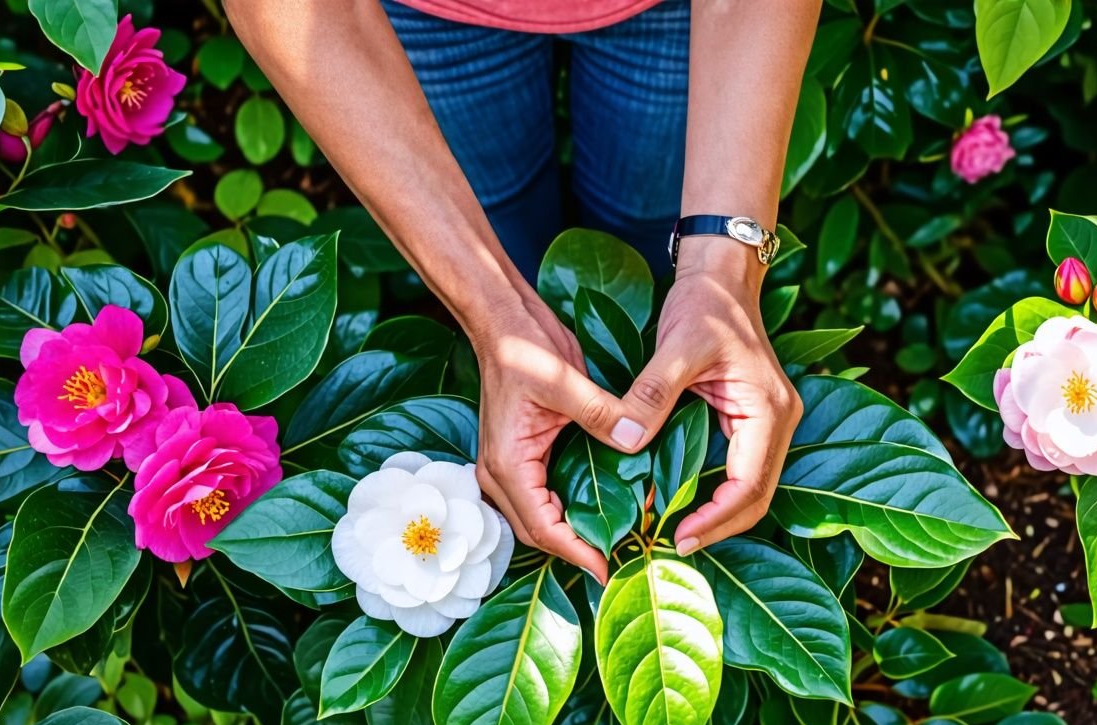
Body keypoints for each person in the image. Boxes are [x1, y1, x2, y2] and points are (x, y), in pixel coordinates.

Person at [225, 0, 819, 584]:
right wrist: (495, 312)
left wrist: (719, 277)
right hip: (430, 15)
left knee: (643, 221)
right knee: (503, 216)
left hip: (677, 12)